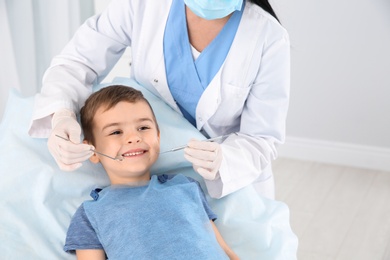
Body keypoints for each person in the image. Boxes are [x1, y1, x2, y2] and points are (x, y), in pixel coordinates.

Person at [29, 0, 290, 199]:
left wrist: (225, 159)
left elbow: (262, 138)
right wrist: (61, 114)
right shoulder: (145, 5)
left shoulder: (268, 37)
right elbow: (77, 62)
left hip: (222, 184)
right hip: (142, 172)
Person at [63, 85, 239, 259]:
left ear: (158, 137)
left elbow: (223, 249)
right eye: (116, 132)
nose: (134, 138)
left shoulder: (185, 186)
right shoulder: (90, 213)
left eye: (143, 128)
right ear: (92, 151)